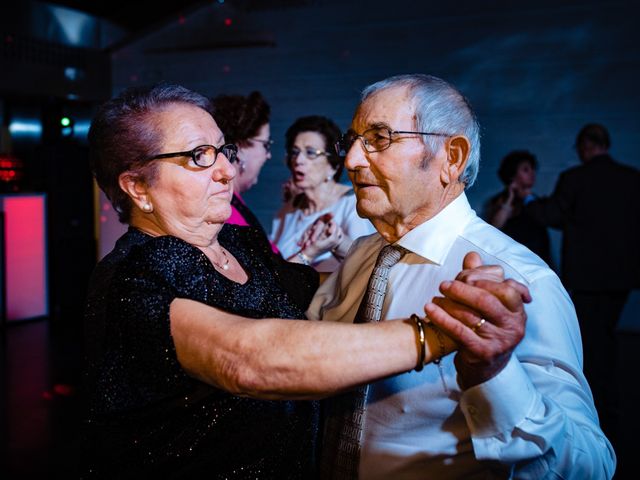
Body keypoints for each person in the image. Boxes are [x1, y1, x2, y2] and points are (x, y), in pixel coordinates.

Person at [82, 82, 527, 478]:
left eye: (224, 151)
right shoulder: (130, 278)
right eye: (199, 157)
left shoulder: (239, 244)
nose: (226, 171)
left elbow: (331, 290)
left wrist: (411, 257)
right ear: (137, 187)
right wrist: (445, 328)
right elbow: (248, 358)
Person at [308, 74, 615, 479]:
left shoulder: (521, 282)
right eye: (352, 141)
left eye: (379, 139)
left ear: (451, 157)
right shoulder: (361, 257)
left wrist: (494, 376)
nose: (351, 161)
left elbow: (590, 466)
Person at [525, 123, 640, 444]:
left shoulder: (575, 179)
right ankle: (613, 405)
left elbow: (551, 216)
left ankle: (597, 412)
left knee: (593, 342)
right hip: (623, 276)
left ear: (586, 146)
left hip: (588, 276)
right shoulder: (633, 179)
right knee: (607, 335)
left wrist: (530, 199)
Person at [270, 115, 375, 272]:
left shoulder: (352, 204)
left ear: (333, 165)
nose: (298, 160)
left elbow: (367, 264)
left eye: (310, 153)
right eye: (295, 152)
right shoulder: (288, 210)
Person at [210, 91, 275, 246]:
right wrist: (307, 253)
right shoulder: (226, 211)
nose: (268, 155)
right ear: (240, 148)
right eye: (265, 145)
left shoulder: (233, 201)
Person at [484, 150, 553, 267]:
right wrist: (510, 197)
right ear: (512, 174)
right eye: (526, 170)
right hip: (514, 261)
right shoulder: (501, 200)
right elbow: (494, 227)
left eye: (532, 169)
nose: (532, 173)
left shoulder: (535, 200)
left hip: (538, 260)